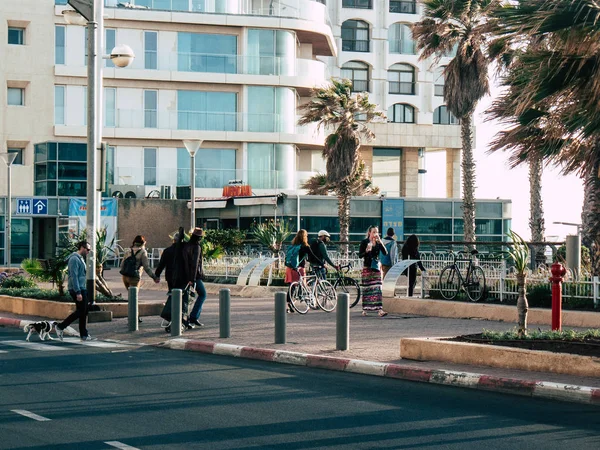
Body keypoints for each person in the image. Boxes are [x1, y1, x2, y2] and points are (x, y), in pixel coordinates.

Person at [54, 241, 95, 341]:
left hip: (81, 288)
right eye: (87, 249)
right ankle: (61, 326)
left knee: (84, 311)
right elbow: (73, 276)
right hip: (77, 289)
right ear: (82, 247)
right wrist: (78, 292)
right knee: (81, 311)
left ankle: (83, 334)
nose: (89, 251)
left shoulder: (80, 258)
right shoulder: (74, 259)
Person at [359, 226, 388, 317]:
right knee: (367, 289)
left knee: (378, 289)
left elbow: (385, 252)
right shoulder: (364, 242)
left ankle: (380, 310)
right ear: (369, 233)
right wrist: (367, 251)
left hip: (376, 267)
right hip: (367, 267)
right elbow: (360, 255)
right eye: (374, 232)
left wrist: (381, 242)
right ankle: (365, 309)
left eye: (377, 232)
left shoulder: (378, 243)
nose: (375, 234)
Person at [183, 227, 207, 328]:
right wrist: (192, 279)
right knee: (202, 294)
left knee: (186, 298)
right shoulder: (196, 247)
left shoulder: (185, 246)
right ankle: (193, 317)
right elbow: (195, 263)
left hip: (184, 275)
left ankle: (186, 318)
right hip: (194, 276)